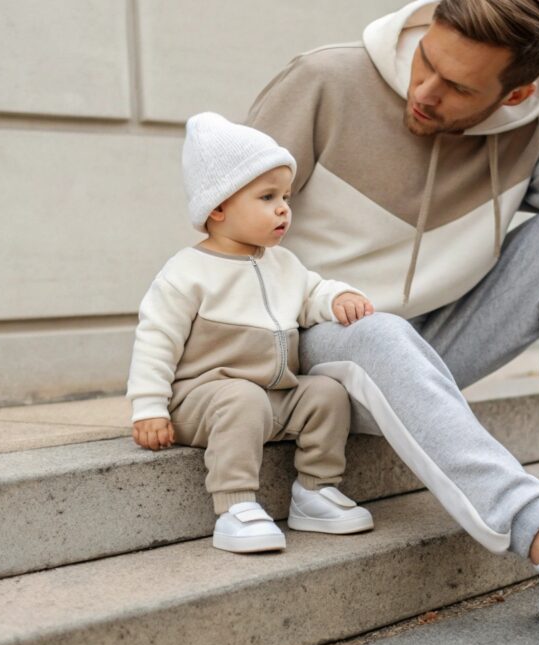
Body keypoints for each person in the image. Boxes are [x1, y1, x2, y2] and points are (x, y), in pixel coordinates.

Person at [247, 0, 539, 641]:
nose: (425, 91)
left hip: (424, 343)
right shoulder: (324, 81)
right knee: (377, 329)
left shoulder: (533, 129)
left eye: (459, 87)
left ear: (513, 93)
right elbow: (224, 226)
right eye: (426, 61)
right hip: (301, 350)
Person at [127, 112, 376, 554]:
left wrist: (338, 297)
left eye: (285, 197)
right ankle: (235, 506)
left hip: (272, 397)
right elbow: (155, 341)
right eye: (267, 197)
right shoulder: (187, 272)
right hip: (203, 401)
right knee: (241, 397)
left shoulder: (282, 263)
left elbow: (312, 292)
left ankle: (316, 491)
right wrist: (149, 408)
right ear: (218, 207)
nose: (283, 208)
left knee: (326, 393)